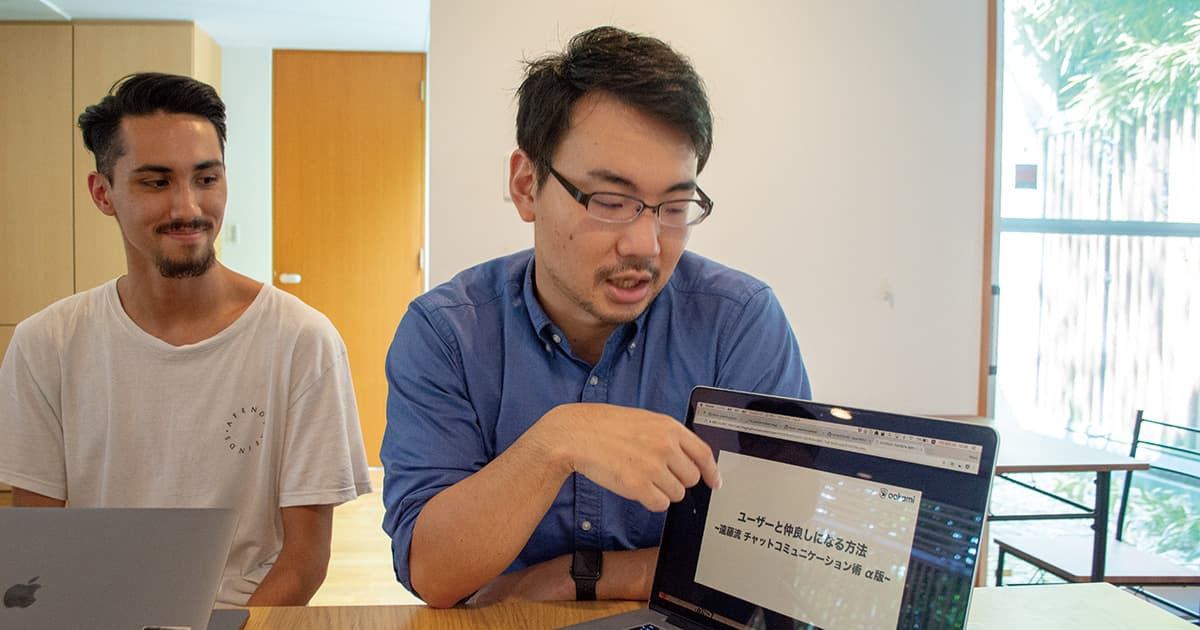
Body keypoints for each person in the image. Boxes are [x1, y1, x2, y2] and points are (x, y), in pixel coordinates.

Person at [381, 26, 811, 608]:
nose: (646, 245)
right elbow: (434, 572)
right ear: (526, 185)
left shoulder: (738, 323)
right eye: (610, 202)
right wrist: (559, 440)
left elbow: (778, 554)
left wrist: (574, 578)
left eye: (675, 207)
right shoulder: (449, 333)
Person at [0, 72, 372, 607]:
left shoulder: (302, 342)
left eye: (206, 178)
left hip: (243, 619)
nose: (188, 208)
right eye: (156, 182)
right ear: (103, 194)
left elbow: (304, 561)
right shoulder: (47, 345)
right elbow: (39, 550)